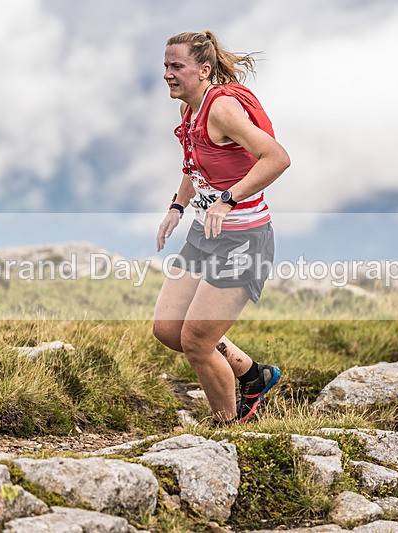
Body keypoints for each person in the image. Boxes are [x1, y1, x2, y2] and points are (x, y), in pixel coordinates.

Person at [152, 30, 291, 424]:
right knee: (168, 329)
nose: (167, 74)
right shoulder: (189, 110)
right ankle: (251, 374)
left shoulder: (222, 109)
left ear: (204, 69)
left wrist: (228, 199)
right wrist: (177, 208)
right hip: (204, 234)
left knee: (196, 342)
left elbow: (277, 158)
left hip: (244, 239)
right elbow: (194, 166)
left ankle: (228, 428)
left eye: (176, 66)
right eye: (165, 66)